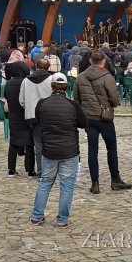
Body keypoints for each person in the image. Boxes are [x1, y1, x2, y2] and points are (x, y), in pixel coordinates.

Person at [29, 73, 87, 228]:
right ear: (66, 87)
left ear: (52, 86)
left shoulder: (42, 104)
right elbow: (83, 123)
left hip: (49, 149)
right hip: (69, 150)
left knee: (45, 182)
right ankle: (62, 219)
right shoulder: (73, 105)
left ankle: (36, 216)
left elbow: (39, 120)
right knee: (67, 185)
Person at [75, 50, 131, 192]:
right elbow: (115, 98)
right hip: (104, 117)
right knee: (111, 148)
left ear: (90, 61)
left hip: (88, 117)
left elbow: (76, 99)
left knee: (92, 150)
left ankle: (95, 183)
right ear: (104, 61)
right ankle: (115, 179)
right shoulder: (107, 77)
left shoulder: (81, 77)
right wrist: (108, 105)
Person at [4, 60, 35, 176]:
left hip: (13, 115)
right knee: (29, 143)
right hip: (25, 114)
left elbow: (6, 97)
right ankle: (30, 169)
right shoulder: (27, 82)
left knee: (13, 142)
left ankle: (11, 169)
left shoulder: (8, 83)